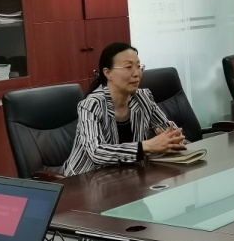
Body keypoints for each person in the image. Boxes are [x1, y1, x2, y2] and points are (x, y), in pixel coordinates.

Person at [63, 43, 185, 176]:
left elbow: (169, 131)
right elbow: (96, 152)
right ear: (108, 73)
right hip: (86, 179)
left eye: (138, 66)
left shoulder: (143, 98)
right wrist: (146, 146)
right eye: (128, 67)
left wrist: (173, 139)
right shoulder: (91, 105)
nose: (137, 73)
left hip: (128, 175)